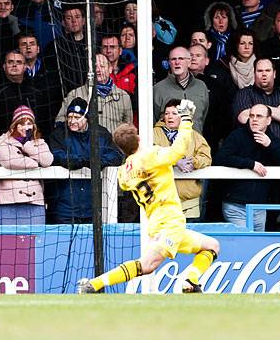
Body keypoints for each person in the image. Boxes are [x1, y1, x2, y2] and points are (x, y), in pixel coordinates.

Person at [78, 100, 220, 294]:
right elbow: (178, 150)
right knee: (147, 265)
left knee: (211, 246)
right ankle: (94, 284)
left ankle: (190, 281)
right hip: (170, 221)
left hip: (156, 222)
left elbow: (130, 180)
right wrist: (186, 120)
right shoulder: (151, 155)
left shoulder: (124, 172)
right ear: (137, 138)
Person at [215, 104, 280, 231]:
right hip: (235, 204)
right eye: (252, 116)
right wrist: (251, 164)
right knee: (244, 243)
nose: (254, 119)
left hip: (259, 206)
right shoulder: (237, 135)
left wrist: (269, 145)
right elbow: (220, 158)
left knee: (257, 244)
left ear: (268, 120)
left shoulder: (270, 138)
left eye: (259, 116)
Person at [48, 97, 123, 224]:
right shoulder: (59, 134)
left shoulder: (101, 134)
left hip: (93, 207)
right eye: (69, 117)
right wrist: (82, 160)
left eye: (77, 117)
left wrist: (96, 161)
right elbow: (56, 155)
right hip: (66, 207)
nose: (72, 121)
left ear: (87, 117)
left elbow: (116, 155)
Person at [0, 105, 53, 225]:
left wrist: (28, 145)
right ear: (14, 124)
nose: (25, 127)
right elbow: (9, 161)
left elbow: (47, 161)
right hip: (7, 200)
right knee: (6, 240)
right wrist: (35, 163)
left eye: (29, 123)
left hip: (35, 201)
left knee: (36, 240)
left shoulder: (40, 143)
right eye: (21, 123)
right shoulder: (1, 140)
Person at [154, 99, 212, 220]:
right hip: (162, 199)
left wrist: (193, 162)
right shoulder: (153, 134)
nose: (169, 117)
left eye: (174, 113)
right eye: (167, 113)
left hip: (189, 199)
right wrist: (174, 161)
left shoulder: (194, 135)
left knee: (190, 237)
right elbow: (150, 155)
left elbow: (206, 157)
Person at [55, 53, 133, 134]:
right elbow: (59, 122)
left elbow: (128, 128)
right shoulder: (75, 94)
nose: (98, 70)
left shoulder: (123, 96)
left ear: (110, 69)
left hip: (113, 145)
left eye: (102, 66)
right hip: (84, 145)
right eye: (94, 66)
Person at [153, 47, 209, 132]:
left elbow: (203, 118)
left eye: (181, 58)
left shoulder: (201, 86)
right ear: (169, 63)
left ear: (189, 62)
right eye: (173, 59)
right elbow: (154, 121)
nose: (177, 62)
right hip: (168, 144)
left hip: (196, 143)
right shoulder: (158, 89)